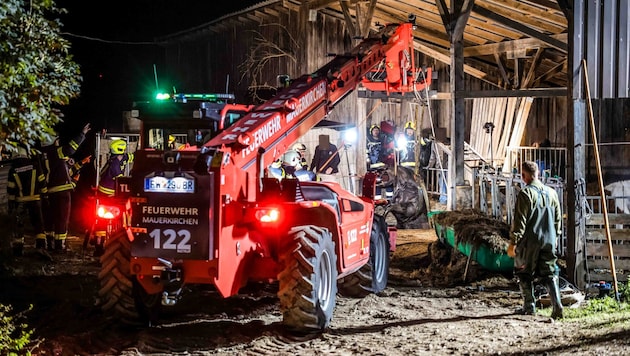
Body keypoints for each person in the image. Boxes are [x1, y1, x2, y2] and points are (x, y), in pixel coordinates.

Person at [507, 160, 563, 319]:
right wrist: (556, 236)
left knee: (523, 272)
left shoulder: (526, 194)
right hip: (549, 240)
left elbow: (520, 222)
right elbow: (558, 219)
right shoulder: (552, 193)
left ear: (523, 176)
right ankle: (557, 305)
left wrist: (513, 242)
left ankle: (529, 306)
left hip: (529, 242)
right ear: (538, 173)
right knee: (549, 273)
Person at [40, 123, 91, 252]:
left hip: (50, 192)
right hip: (62, 192)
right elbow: (71, 148)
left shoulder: (43, 156)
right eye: (57, 140)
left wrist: (81, 163)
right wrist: (82, 134)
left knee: (51, 219)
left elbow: (65, 171)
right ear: (53, 141)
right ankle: (60, 246)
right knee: (62, 220)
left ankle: (50, 244)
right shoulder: (57, 152)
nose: (58, 142)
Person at [6, 144, 48, 254]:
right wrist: (45, 196)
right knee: (38, 223)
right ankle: (40, 246)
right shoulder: (34, 165)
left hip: (21, 201)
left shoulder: (13, 169)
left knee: (19, 224)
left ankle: (18, 249)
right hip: (35, 200)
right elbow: (42, 181)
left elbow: (11, 188)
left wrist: (11, 203)